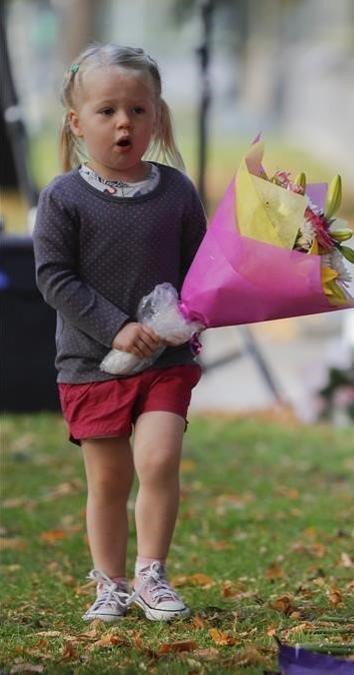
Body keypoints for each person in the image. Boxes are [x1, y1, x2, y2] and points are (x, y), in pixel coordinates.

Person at [32, 43, 207, 623]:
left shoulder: (178, 192)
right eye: (107, 111)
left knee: (158, 461)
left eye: (137, 109)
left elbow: (200, 270)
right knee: (109, 480)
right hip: (90, 362)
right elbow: (54, 277)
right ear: (78, 123)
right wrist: (117, 328)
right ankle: (109, 582)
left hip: (166, 359)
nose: (124, 122)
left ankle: (151, 573)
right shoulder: (63, 198)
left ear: (157, 116)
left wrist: (194, 316)